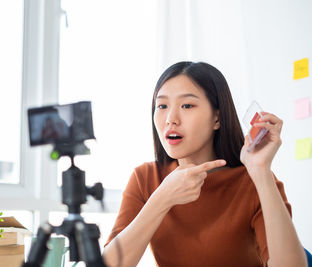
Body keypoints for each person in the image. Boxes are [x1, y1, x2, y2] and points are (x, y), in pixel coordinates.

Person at [102, 62, 307, 267]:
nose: (170, 119)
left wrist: (261, 171)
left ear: (217, 118)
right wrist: (162, 198)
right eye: (162, 106)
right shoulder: (145, 177)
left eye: (187, 106)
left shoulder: (253, 182)